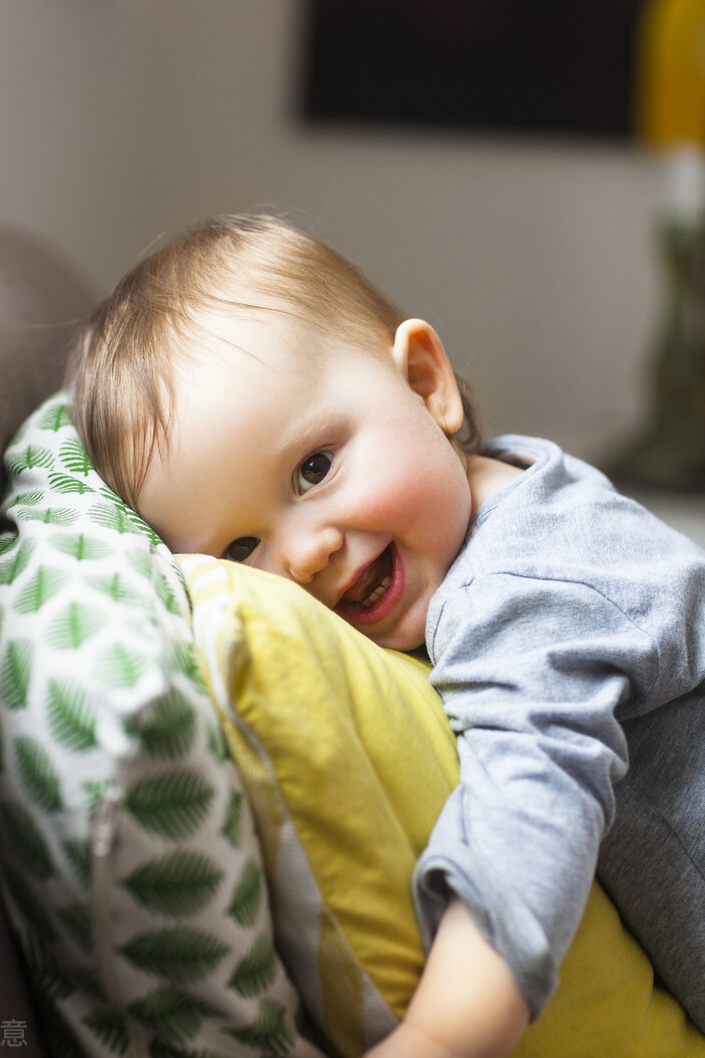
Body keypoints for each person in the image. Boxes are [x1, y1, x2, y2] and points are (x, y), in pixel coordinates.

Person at [67, 213, 705, 1055]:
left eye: (314, 467)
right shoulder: (512, 484)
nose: (306, 552)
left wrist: (442, 1036)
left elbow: (527, 811)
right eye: (239, 548)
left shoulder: (522, 592)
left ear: (425, 381)